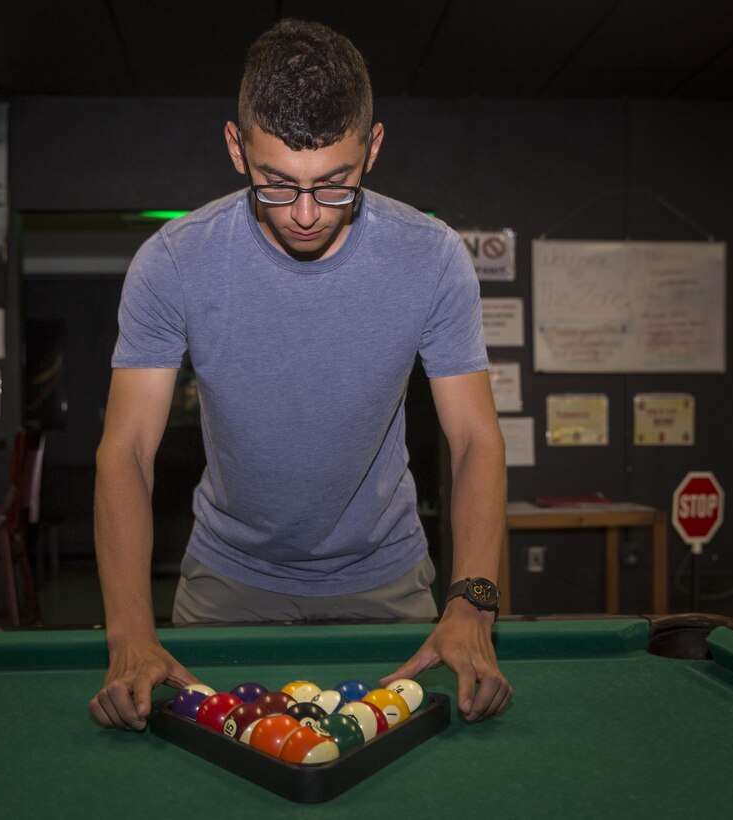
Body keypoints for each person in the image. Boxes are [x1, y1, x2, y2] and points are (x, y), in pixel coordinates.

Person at [89, 19, 511, 731]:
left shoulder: (430, 258)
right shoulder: (171, 263)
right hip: (227, 579)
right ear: (235, 147)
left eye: (335, 184)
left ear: (371, 148)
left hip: (387, 576)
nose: (307, 215)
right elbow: (126, 450)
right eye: (276, 185)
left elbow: (473, 439)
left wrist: (471, 603)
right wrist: (128, 631)